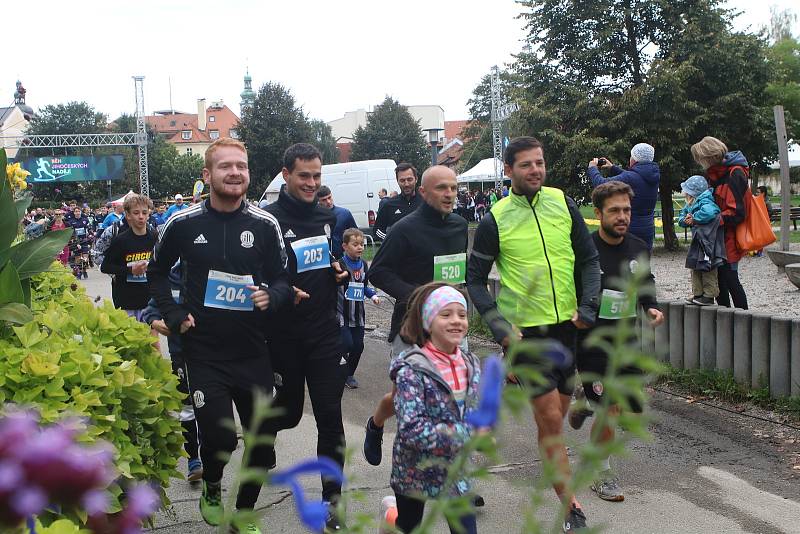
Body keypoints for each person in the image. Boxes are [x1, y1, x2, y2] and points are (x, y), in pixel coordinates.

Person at [147, 137, 292, 534]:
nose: (235, 173)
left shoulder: (265, 225)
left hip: (252, 351)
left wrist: (273, 296)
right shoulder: (183, 223)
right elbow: (156, 272)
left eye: (241, 166)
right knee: (221, 440)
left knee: (262, 445)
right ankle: (212, 483)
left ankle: (242, 513)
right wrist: (174, 314)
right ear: (208, 175)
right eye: (226, 166)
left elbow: (282, 277)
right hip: (204, 351)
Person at [467, 136, 600, 533]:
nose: (536, 170)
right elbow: (475, 281)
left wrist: (589, 305)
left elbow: (589, 260)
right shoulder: (496, 218)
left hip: (568, 329)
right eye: (526, 165)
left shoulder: (564, 203)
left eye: (540, 163)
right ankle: (572, 507)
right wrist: (499, 327)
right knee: (549, 420)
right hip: (527, 337)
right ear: (509, 171)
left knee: (553, 421)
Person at [262, 143, 350, 532]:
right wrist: (281, 291)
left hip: (324, 333)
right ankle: (261, 434)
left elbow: (326, 259)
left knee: (330, 418)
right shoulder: (268, 220)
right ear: (286, 175)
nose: (312, 183)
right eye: (304, 176)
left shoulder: (329, 217)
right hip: (284, 336)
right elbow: (256, 275)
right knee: (291, 412)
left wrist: (337, 272)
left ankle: (333, 500)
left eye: (317, 176)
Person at [363, 165, 468, 465]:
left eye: (453, 188)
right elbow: (378, 272)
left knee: (454, 399)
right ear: (423, 192)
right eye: (441, 188)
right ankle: (376, 424)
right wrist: (419, 297)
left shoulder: (460, 226)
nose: (449, 194)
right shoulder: (404, 229)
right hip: (411, 326)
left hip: (450, 328)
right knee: (405, 397)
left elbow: (456, 272)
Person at [567, 181, 664, 503]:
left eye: (626, 210)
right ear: (598, 213)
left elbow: (645, 280)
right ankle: (602, 473)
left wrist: (651, 305)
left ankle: (584, 401)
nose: (622, 216)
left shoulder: (638, 246)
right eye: (615, 211)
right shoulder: (584, 250)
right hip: (592, 341)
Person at [390, 282, 480, 534]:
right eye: (446, 314)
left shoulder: (472, 364)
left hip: (455, 467)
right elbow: (411, 428)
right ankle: (390, 519)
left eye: (462, 314)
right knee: (408, 527)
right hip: (414, 468)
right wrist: (465, 435)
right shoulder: (412, 370)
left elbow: (471, 412)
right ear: (428, 322)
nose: (456, 321)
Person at [141, 261, 203, 484]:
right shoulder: (171, 276)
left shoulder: (216, 269)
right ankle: (194, 459)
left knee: (209, 406)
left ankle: (213, 450)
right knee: (187, 406)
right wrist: (156, 322)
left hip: (215, 355)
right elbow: (149, 311)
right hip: (182, 354)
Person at [690, 136, 749, 309]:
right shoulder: (714, 175)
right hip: (717, 236)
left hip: (729, 236)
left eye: (700, 159)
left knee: (730, 279)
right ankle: (724, 322)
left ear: (709, 156)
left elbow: (738, 212)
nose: (699, 163)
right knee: (718, 281)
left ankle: (743, 320)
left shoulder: (734, 174)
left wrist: (709, 220)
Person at [588, 143, 660, 250]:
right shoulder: (653, 175)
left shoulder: (631, 177)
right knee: (642, 262)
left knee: (625, 263)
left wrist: (592, 168)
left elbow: (601, 184)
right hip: (647, 228)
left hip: (630, 228)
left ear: (634, 159)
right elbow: (635, 178)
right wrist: (613, 168)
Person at [100, 194, 158, 320]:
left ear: (149, 214)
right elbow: (105, 267)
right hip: (125, 301)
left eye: (144, 212)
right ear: (128, 215)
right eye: (136, 213)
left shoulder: (154, 237)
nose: (141, 217)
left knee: (150, 339)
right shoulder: (120, 240)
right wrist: (130, 271)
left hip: (148, 300)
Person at [337, 228, 381, 389]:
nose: (360, 247)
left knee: (358, 346)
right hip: (341, 313)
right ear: (345, 246)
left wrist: (373, 295)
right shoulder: (339, 264)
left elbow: (364, 286)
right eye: (355, 244)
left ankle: (349, 374)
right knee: (347, 344)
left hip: (359, 315)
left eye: (362, 244)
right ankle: (337, 366)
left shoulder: (363, 264)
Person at [678, 176, 725, 306]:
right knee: (694, 265)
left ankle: (709, 295)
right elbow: (681, 217)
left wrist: (694, 218)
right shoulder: (691, 203)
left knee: (707, 267)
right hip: (697, 242)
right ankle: (697, 293)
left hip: (707, 242)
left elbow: (711, 212)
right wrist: (685, 220)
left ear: (693, 193)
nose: (685, 195)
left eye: (687, 192)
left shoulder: (706, 202)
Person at [373, 163, 424, 241]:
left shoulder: (426, 202)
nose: (406, 184)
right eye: (402, 180)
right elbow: (377, 230)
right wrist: (392, 240)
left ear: (416, 179)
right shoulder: (389, 204)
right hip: (399, 252)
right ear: (397, 181)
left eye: (409, 179)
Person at [317, 185, 358, 259]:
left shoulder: (345, 213)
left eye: (329, 197)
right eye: (324, 200)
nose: (328, 202)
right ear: (318, 201)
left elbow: (355, 235)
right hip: (321, 259)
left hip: (340, 258)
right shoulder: (314, 216)